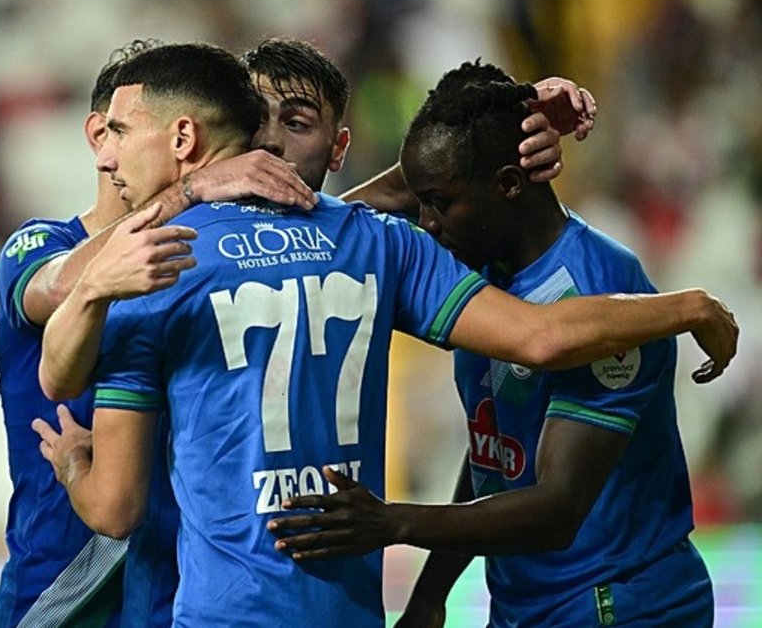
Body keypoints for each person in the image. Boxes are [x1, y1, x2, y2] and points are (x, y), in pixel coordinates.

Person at [31, 42, 736, 626]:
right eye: (261, 122)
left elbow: (83, 431)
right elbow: (518, 383)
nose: (271, 143)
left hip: (608, 599)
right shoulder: (376, 245)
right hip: (403, 607)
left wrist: (71, 460)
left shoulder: (152, 267)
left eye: (295, 123)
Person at [269, 61, 717, 627]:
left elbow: (557, 509)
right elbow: (498, 455)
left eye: (439, 201)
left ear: (507, 184)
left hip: (618, 603)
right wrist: (432, 593)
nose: (426, 224)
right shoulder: (486, 275)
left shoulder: (596, 293)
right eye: (420, 201)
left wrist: (393, 522)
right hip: (529, 604)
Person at [0, 39, 315, 628]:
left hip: (177, 581)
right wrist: (190, 190)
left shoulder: (208, 258)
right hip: (59, 587)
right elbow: (58, 290)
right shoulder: (36, 245)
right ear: (98, 135)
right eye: (116, 130)